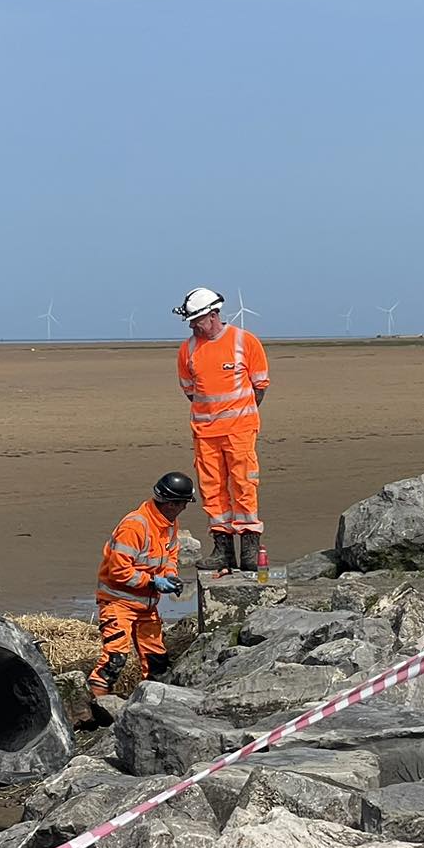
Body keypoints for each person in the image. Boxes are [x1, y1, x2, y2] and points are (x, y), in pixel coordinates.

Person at [173, 286, 269, 570]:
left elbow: (259, 387)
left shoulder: (245, 342)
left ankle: (249, 548)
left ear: (213, 315)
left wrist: (237, 417)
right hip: (205, 434)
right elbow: (191, 391)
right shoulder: (188, 350)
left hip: (239, 432)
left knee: (244, 485)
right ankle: (223, 549)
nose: (193, 326)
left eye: (197, 320)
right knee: (212, 491)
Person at [91, 471, 192, 698]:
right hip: (118, 602)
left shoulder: (168, 524)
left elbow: (171, 555)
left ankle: (152, 704)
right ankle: (93, 706)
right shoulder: (134, 527)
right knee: (114, 659)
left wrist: (170, 575)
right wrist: (154, 582)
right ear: (171, 503)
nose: (185, 508)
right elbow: (118, 571)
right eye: (183, 503)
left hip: (146, 605)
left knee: (157, 662)